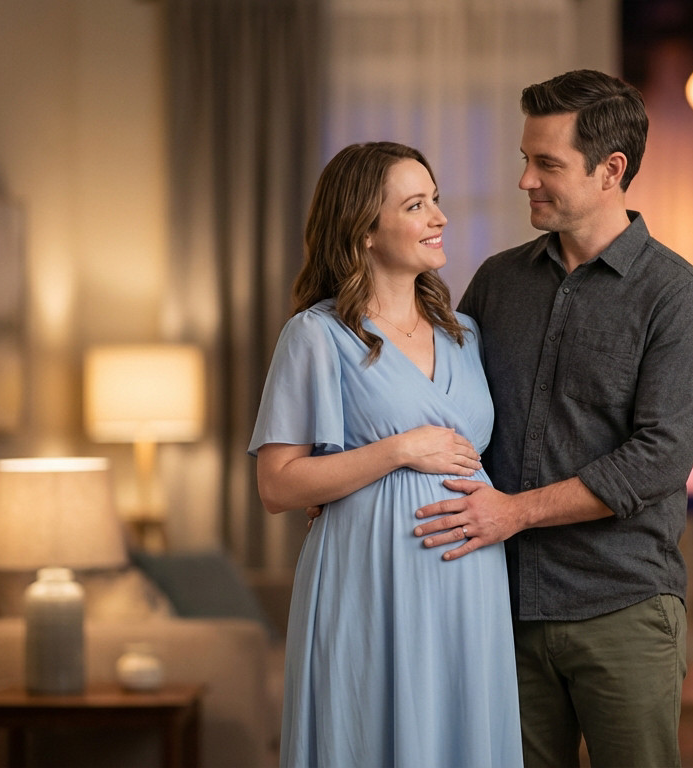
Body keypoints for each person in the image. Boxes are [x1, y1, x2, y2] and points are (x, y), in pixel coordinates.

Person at [413, 69, 693, 767]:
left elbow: (658, 459)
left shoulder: (678, 298)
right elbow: (438, 401)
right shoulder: (497, 281)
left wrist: (514, 513)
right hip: (500, 611)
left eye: (546, 163)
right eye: (526, 159)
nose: (525, 179)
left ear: (610, 170)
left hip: (624, 610)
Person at [250, 141, 523, 768]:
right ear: (364, 232)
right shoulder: (316, 336)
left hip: (469, 580)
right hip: (368, 577)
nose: (439, 217)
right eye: (416, 204)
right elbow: (278, 486)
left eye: (436, 201)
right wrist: (399, 449)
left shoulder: (467, 334)